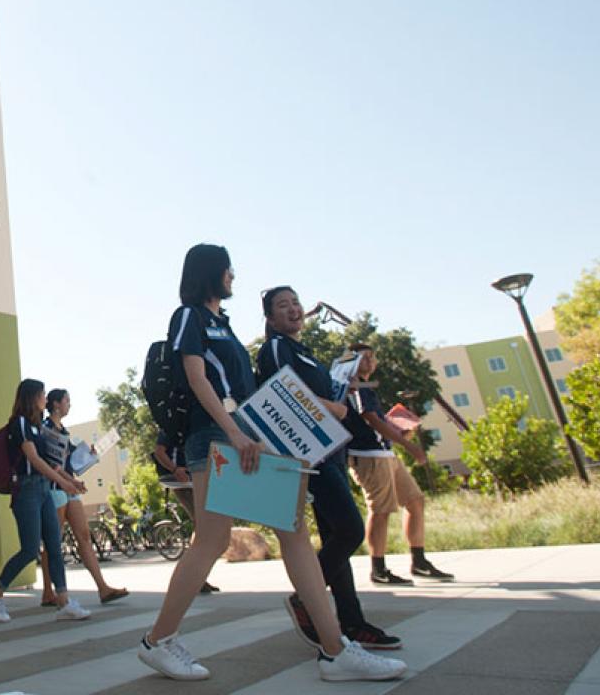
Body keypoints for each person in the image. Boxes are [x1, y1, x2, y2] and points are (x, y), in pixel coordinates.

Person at [136, 245, 405, 682]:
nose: (233, 277)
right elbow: (196, 376)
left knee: (289, 529)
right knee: (213, 539)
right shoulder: (189, 316)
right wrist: (237, 432)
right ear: (212, 272)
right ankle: (158, 641)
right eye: (228, 270)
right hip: (218, 437)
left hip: (244, 435)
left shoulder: (222, 324)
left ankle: (335, 649)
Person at [257, 287, 403, 650]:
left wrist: (343, 390)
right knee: (351, 530)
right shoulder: (276, 348)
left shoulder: (304, 352)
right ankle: (305, 597)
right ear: (270, 319)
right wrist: (333, 409)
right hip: (309, 453)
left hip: (332, 450)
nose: (293, 309)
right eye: (282, 306)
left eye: (295, 303)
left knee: (337, 535)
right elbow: (278, 392)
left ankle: (352, 623)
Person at [0, 379, 91, 624]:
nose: (45, 398)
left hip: (43, 489)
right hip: (27, 490)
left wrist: (69, 481)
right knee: (30, 549)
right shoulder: (19, 424)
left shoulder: (37, 427)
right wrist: (62, 483)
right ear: (32, 397)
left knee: (54, 546)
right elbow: (32, 458)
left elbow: (49, 462)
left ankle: (63, 601)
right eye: (42, 394)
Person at [345, 343, 454, 585]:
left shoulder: (367, 387)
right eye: (364, 358)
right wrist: (409, 446)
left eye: (373, 357)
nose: (370, 362)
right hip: (368, 456)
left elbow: (377, 422)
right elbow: (371, 419)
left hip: (385, 453)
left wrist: (397, 432)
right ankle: (378, 568)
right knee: (380, 509)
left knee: (415, 500)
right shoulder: (355, 388)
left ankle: (419, 561)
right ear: (350, 362)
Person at [37, 389, 128, 606]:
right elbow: (51, 464)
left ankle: (103, 588)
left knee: (84, 536)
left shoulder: (65, 431)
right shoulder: (46, 429)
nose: (70, 404)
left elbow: (74, 459)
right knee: (53, 540)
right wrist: (69, 480)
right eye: (67, 400)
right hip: (55, 488)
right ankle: (48, 591)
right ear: (56, 404)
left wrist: (90, 453)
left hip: (69, 488)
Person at [151, 435, 218, 594]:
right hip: (179, 481)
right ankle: (193, 577)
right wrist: (175, 469)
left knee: (202, 527)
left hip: (191, 479)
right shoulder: (172, 426)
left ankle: (197, 577)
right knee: (202, 525)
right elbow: (159, 452)